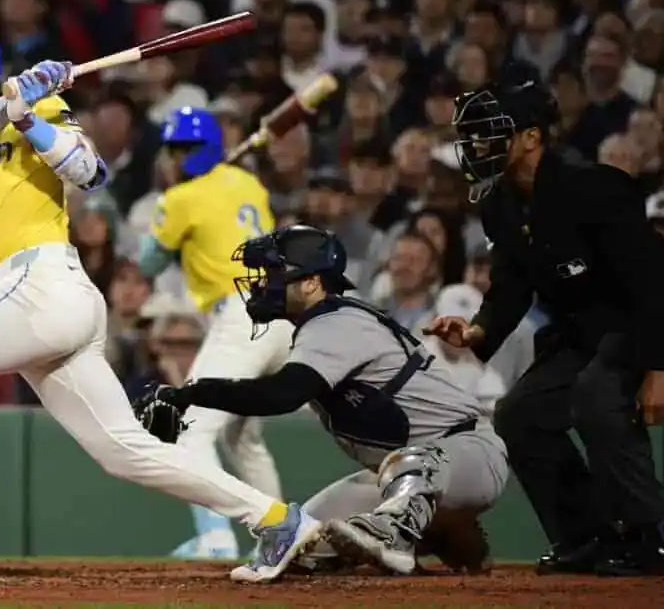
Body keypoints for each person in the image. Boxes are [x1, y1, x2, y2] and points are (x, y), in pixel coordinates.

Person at [0, 22, 321, 582]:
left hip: (45, 281)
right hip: (19, 298)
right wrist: (11, 104)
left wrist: (30, 114)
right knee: (125, 450)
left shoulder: (39, 108)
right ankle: (276, 517)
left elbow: (89, 172)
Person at [134, 225, 507, 577]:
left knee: (411, 464)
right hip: (397, 476)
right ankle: (450, 533)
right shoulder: (317, 326)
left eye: (276, 273)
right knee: (300, 543)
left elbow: (281, 395)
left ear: (312, 283)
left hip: (467, 453)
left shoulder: (336, 322)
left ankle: (409, 530)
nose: (264, 283)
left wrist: (191, 393)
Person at [428, 64, 664, 576]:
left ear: (530, 137)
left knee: (596, 394)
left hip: (644, 319)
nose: (475, 145)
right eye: (471, 135)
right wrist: (479, 331)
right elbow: (512, 284)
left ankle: (657, 534)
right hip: (586, 332)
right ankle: (588, 535)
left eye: (489, 132)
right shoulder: (499, 203)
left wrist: (658, 370)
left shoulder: (594, 187)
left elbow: (657, 279)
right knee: (520, 414)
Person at [136, 107, 287, 560]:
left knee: (189, 428)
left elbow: (148, 263)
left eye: (180, 151)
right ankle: (280, 535)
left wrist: (169, 208)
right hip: (284, 313)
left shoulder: (181, 198)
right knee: (243, 438)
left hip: (242, 314)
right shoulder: (248, 183)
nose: (174, 158)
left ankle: (216, 537)